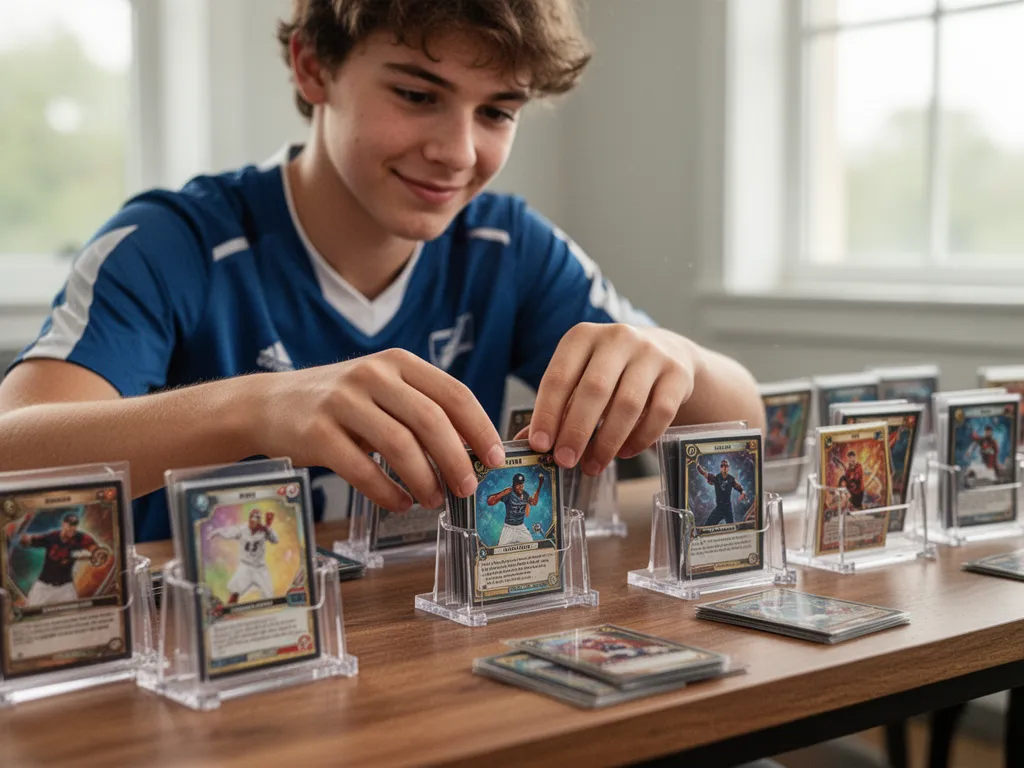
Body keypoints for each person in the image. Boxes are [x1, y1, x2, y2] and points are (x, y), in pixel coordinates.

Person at [0, 0, 763, 542]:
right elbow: (12, 454)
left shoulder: (512, 247)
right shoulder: (166, 245)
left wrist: (675, 361)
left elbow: (744, 421)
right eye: (416, 94)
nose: (459, 152)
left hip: (428, 658)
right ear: (312, 67)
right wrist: (257, 409)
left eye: (497, 111)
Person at [18, 512, 110, 607]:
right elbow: (29, 541)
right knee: (32, 613)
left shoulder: (80, 538)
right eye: (70, 525)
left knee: (73, 615)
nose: (72, 528)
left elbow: (95, 549)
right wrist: (20, 537)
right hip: (44, 587)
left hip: (65, 588)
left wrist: (97, 554)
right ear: (63, 524)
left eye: (74, 525)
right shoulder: (52, 537)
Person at [208, 508, 279, 603]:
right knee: (235, 591)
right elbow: (228, 534)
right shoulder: (242, 529)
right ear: (249, 518)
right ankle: (229, 611)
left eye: (257, 518)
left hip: (260, 568)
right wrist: (216, 532)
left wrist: (268, 528)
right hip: (246, 566)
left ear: (260, 520)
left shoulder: (264, 530)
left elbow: (275, 540)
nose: (254, 520)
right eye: (253, 517)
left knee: (269, 595)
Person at [487, 472, 543, 545]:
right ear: (514, 484)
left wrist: (540, 486)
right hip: (508, 528)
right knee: (500, 550)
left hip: (521, 527)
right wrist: (502, 493)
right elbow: (490, 502)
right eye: (518, 484)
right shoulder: (508, 493)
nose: (521, 487)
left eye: (522, 484)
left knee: (531, 545)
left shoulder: (525, 494)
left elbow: (534, 503)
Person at [696, 458, 746, 526]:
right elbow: (705, 473)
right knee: (707, 527)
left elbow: (739, 487)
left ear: (728, 468)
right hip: (719, 508)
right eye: (722, 466)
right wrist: (697, 465)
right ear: (720, 467)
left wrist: (742, 492)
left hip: (728, 509)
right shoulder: (716, 478)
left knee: (732, 528)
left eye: (726, 466)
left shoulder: (731, 479)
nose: (724, 468)